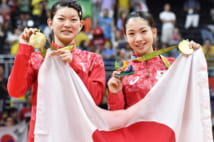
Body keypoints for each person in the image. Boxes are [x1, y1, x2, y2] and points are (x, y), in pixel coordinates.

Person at [7, 1, 106, 142]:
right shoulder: (37, 59)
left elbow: (95, 99)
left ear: (80, 25)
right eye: (61, 19)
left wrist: (74, 64)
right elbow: (15, 91)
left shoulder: (93, 60)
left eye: (73, 20)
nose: (67, 24)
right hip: (43, 136)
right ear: (50, 23)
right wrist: (24, 50)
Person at [107, 11, 201, 110]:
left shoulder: (174, 66)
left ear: (154, 33)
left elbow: (196, 89)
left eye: (143, 31)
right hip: (136, 126)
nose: (138, 39)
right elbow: (116, 117)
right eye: (131, 33)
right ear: (126, 37)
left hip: (168, 125)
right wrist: (115, 94)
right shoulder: (121, 75)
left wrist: (196, 56)